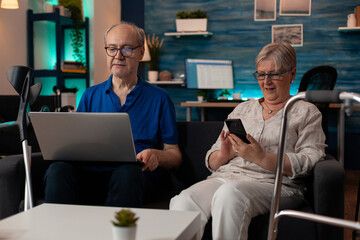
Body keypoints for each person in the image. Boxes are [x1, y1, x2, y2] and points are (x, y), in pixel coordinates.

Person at [170, 42, 326, 240]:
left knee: (229, 194)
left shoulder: (306, 112)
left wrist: (261, 158)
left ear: (292, 74)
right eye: (261, 74)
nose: (266, 81)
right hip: (227, 177)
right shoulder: (242, 109)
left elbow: (310, 160)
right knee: (184, 200)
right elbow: (212, 160)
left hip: (276, 184)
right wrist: (224, 155)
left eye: (274, 74)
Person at [44, 21, 182, 207]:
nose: (118, 56)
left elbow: (174, 154)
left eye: (126, 49)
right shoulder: (90, 95)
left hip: (134, 176)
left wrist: (157, 155)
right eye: (112, 48)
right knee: (57, 170)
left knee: (127, 172)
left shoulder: (160, 99)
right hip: (91, 175)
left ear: (140, 53)